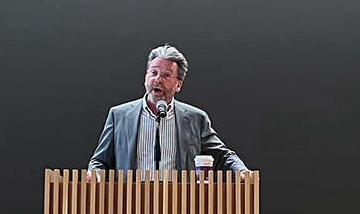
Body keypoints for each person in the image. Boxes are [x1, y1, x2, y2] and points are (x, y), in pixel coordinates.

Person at [88, 46, 248, 173]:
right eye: (154, 73)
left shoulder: (195, 118)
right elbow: (100, 161)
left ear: (178, 85)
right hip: (130, 203)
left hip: (179, 203)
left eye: (166, 75)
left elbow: (222, 155)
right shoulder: (119, 115)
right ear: (146, 77)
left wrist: (240, 170)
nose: (157, 79)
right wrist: (95, 173)